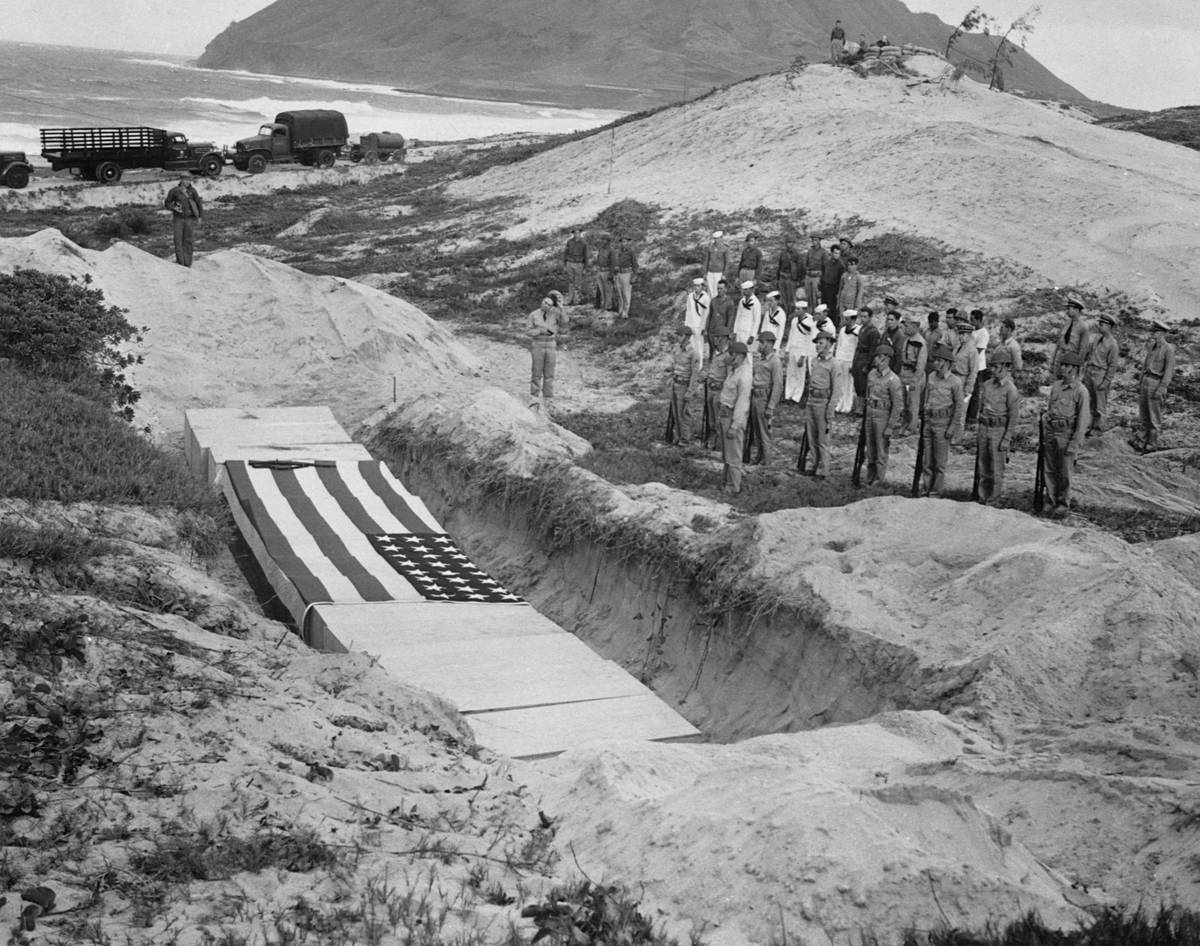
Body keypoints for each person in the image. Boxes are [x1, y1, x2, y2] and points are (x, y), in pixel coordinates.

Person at [1041, 352, 1090, 516]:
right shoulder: (1056, 387)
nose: (1062, 368)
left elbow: (1082, 422)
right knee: (1049, 469)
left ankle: (1062, 503)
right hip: (1052, 432)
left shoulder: (1081, 392)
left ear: (1074, 369)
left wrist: (1075, 443)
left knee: (1064, 472)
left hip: (1067, 434)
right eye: (1062, 364)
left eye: (1066, 365)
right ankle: (1050, 500)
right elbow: (1050, 410)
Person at [974, 348, 1020, 505]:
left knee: (996, 468)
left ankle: (993, 500)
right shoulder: (987, 385)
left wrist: (1007, 438)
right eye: (991, 366)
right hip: (985, 427)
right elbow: (981, 407)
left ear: (1005, 367)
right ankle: (982, 497)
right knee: (983, 465)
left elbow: (1013, 417)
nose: (992, 370)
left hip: (999, 431)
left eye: (996, 366)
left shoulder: (1010, 389)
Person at [919, 345, 965, 497]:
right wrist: (925, 419)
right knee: (927, 460)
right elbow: (926, 398)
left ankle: (936, 491)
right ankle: (926, 487)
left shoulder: (955, 382)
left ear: (946, 362)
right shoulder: (931, 376)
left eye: (938, 361)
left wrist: (952, 427)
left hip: (943, 424)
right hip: (929, 421)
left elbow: (959, 406)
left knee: (939, 462)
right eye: (934, 361)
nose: (935, 364)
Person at [862, 345, 904, 486]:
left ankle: (879, 480)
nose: (874, 360)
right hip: (870, 413)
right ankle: (870, 478)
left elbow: (897, 405)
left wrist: (890, 426)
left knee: (881, 450)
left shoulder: (893, 380)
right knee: (870, 448)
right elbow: (868, 394)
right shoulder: (872, 374)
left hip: (883, 416)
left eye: (877, 357)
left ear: (884, 359)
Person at [801, 331, 839, 478]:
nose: (818, 345)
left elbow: (836, 390)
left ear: (829, 344)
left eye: (821, 343)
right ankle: (814, 464)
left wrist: (830, 411)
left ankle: (824, 470)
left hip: (823, 402)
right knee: (812, 435)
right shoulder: (815, 361)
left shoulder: (834, 364)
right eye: (817, 343)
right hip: (812, 400)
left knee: (823, 438)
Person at [1136, 319, 1176, 451]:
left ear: (1162, 333)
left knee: (1154, 416)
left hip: (1156, 383)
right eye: (1153, 331)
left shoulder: (1168, 349)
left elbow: (1168, 371)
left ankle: (1151, 444)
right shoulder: (1152, 347)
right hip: (1146, 381)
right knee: (1143, 414)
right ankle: (1141, 440)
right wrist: (1141, 381)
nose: (1153, 334)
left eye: (1156, 332)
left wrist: (1162, 388)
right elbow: (1145, 366)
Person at [718, 341, 753, 493]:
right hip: (725, 414)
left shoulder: (744, 375)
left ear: (740, 356)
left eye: (732, 354)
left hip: (733, 417)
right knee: (727, 452)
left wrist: (734, 425)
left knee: (734, 454)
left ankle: (733, 487)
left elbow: (742, 403)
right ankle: (726, 482)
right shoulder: (735, 370)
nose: (729, 357)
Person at [747, 331, 784, 464]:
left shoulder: (775, 361)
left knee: (764, 432)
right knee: (757, 431)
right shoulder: (760, 359)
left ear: (768, 343)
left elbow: (778, 385)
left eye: (761, 343)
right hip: (755, 397)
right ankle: (759, 457)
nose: (759, 345)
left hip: (764, 398)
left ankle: (767, 461)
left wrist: (771, 406)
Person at [528, 294, 567, 415]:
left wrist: (561, 308)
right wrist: (539, 331)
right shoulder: (533, 314)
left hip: (551, 344)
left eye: (549, 304)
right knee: (536, 372)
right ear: (542, 302)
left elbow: (565, 322)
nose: (546, 305)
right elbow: (528, 331)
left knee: (549, 373)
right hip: (538, 344)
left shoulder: (555, 314)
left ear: (551, 307)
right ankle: (533, 397)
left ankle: (548, 399)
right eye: (545, 302)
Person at [1084, 313, 1119, 436]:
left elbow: (1113, 366)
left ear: (1109, 326)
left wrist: (1106, 382)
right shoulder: (1097, 339)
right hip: (1090, 371)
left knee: (1100, 404)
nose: (1099, 326)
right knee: (1090, 402)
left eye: (1102, 324)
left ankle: (1098, 429)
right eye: (1099, 323)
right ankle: (1090, 426)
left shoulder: (1112, 344)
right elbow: (1088, 354)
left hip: (1100, 374)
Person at [665, 325, 701, 445]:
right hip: (676, 383)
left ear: (687, 337)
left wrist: (690, 391)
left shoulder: (693, 353)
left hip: (684, 385)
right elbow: (675, 365)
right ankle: (678, 437)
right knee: (676, 412)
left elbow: (695, 374)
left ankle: (685, 439)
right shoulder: (677, 349)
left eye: (680, 335)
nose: (678, 337)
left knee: (684, 414)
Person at [164, 173, 203, 267]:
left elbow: (198, 203)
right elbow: (167, 203)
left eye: (189, 180)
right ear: (181, 180)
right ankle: (180, 262)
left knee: (188, 241)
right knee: (178, 240)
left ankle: (188, 263)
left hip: (189, 219)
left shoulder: (193, 191)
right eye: (185, 180)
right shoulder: (174, 191)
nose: (187, 182)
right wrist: (175, 207)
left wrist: (200, 216)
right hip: (178, 219)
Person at [703, 327, 732, 450]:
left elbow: (729, 377)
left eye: (717, 337)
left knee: (719, 419)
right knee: (711, 419)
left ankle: (720, 445)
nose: (714, 339)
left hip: (720, 391)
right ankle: (712, 441)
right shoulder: (715, 353)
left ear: (723, 339)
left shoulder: (728, 356)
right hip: (711, 388)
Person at [898, 313, 927, 434]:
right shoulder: (908, 340)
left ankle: (911, 427)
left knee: (913, 404)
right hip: (905, 375)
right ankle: (904, 424)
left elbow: (920, 365)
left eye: (908, 326)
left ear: (915, 326)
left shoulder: (920, 343)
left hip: (914, 377)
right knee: (904, 404)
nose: (905, 328)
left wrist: (915, 380)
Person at [1050, 296, 1090, 376]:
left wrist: (1078, 366)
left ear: (1076, 310)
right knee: (1057, 383)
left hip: (1071, 362)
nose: (1067, 311)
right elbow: (1059, 343)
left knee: (1069, 385)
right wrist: (1053, 361)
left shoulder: (1083, 327)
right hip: (1060, 358)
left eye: (1069, 308)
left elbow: (1083, 350)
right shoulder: (1067, 323)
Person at [784, 303, 814, 403]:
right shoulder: (794, 320)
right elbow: (791, 336)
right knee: (791, 373)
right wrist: (787, 351)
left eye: (799, 309)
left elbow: (809, 340)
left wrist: (803, 356)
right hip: (793, 348)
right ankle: (788, 394)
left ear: (804, 310)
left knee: (799, 374)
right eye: (796, 308)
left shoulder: (809, 322)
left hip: (802, 350)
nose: (796, 310)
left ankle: (797, 396)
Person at [965, 309, 990, 424]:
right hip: (970, 364)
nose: (971, 322)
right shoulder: (973, 332)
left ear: (979, 320)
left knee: (975, 392)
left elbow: (978, 351)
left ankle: (972, 416)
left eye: (973, 320)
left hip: (978, 366)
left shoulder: (983, 333)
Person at [850, 306, 879, 402]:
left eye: (865, 317)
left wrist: (868, 365)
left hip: (865, 358)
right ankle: (859, 406)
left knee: (863, 385)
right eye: (861, 316)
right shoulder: (862, 328)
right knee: (857, 383)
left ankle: (863, 409)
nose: (862, 319)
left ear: (870, 317)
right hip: (858, 357)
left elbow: (873, 350)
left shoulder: (873, 331)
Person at [833, 310, 859, 413]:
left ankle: (847, 406)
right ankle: (839, 404)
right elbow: (839, 345)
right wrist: (837, 359)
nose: (845, 321)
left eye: (847, 319)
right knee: (840, 383)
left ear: (853, 319)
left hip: (850, 360)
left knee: (848, 384)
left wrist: (854, 363)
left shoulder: (858, 330)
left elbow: (857, 348)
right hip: (841, 359)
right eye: (845, 319)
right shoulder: (843, 330)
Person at [951, 318, 979, 412]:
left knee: (960, 412)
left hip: (963, 380)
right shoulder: (958, 347)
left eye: (963, 334)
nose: (960, 336)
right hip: (953, 380)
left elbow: (973, 371)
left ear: (969, 335)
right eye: (959, 334)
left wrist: (968, 389)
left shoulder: (972, 350)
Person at [706, 278, 736, 358]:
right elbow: (710, 315)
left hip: (722, 332)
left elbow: (730, 318)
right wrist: (706, 329)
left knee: (721, 352)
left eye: (721, 288)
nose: (719, 290)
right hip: (712, 330)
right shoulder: (713, 301)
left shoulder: (729, 302)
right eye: (718, 288)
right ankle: (711, 366)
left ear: (725, 289)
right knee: (711, 351)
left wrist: (727, 332)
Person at [682, 277, 710, 361]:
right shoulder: (691, 296)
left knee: (699, 344)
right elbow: (688, 310)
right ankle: (693, 363)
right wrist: (687, 324)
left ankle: (700, 363)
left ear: (702, 286)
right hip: (691, 323)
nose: (696, 288)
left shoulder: (706, 297)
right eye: (695, 286)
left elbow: (706, 313)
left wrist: (704, 327)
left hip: (699, 324)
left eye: (698, 286)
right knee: (692, 344)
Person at [775, 236, 801, 316]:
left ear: (793, 244)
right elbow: (779, 266)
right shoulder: (783, 253)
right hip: (782, 277)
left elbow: (800, 268)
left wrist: (798, 280)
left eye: (790, 243)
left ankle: (791, 314)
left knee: (791, 298)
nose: (789, 244)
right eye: (787, 243)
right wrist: (777, 278)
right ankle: (785, 313)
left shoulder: (796, 254)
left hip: (791, 279)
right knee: (783, 297)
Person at [563, 228, 589, 305]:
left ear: (580, 233)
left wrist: (585, 267)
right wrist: (565, 264)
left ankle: (577, 299)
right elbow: (565, 253)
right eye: (575, 233)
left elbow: (586, 256)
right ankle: (570, 299)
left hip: (579, 263)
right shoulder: (569, 242)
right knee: (571, 281)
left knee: (578, 282)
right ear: (573, 234)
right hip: (570, 262)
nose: (576, 234)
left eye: (578, 233)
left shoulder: (584, 243)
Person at [614, 236, 638, 318]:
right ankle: (620, 311)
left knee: (626, 294)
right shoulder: (618, 252)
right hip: (618, 274)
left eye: (625, 242)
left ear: (628, 243)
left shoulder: (631, 252)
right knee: (619, 293)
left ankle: (625, 312)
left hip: (627, 274)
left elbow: (635, 265)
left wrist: (634, 276)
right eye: (622, 242)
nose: (623, 243)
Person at [819, 244, 845, 319]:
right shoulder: (826, 263)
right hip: (825, 288)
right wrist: (820, 288)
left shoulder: (841, 266)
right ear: (832, 253)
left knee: (832, 309)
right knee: (823, 307)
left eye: (839, 253)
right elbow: (822, 276)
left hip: (833, 289)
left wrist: (837, 292)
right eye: (835, 253)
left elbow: (841, 281)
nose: (837, 255)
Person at [803, 234, 827, 312]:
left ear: (819, 241)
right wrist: (807, 271)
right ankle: (809, 313)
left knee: (815, 296)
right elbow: (806, 263)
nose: (814, 242)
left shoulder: (823, 252)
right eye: (813, 240)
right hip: (809, 276)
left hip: (817, 277)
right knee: (808, 296)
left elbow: (825, 266)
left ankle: (816, 313)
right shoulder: (810, 251)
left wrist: (821, 276)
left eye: (816, 240)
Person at [733, 280, 761, 345]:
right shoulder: (742, 301)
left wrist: (752, 335)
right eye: (743, 290)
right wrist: (735, 331)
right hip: (740, 330)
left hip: (748, 332)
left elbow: (757, 321)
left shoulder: (756, 303)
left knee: (747, 352)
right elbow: (738, 317)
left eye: (746, 290)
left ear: (751, 290)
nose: (744, 292)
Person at [592, 234, 616, 311]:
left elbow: (613, 263)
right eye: (602, 240)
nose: (603, 241)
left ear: (608, 241)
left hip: (606, 271)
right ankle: (604, 305)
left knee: (608, 290)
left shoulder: (611, 251)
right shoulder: (601, 249)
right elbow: (598, 259)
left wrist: (611, 274)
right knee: (602, 289)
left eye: (605, 240)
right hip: (600, 270)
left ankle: (609, 306)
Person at [837, 256, 864, 323]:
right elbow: (840, 289)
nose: (849, 266)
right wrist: (838, 301)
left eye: (852, 265)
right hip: (842, 302)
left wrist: (857, 306)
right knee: (842, 320)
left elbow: (860, 292)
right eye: (848, 264)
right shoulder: (844, 275)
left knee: (850, 321)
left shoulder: (858, 277)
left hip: (852, 303)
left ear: (856, 265)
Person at [703, 231, 729, 299]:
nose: (716, 240)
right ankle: (710, 306)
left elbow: (727, 262)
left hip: (719, 272)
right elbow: (707, 260)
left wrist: (724, 274)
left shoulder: (725, 248)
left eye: (717, 238)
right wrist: (705, 273)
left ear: (721, 238)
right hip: (710, 272)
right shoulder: (710, 247)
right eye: (715, 238)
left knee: (717, 290)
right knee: (710, 291)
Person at [882, 305, 905, 375]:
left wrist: (896, 370)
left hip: (892, 366)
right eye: (888, 319)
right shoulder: (885, 333)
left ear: (897, 321)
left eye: (892, 320)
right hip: (882, 364)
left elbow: (899, 355)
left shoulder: (900, 335)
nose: (889, 322)